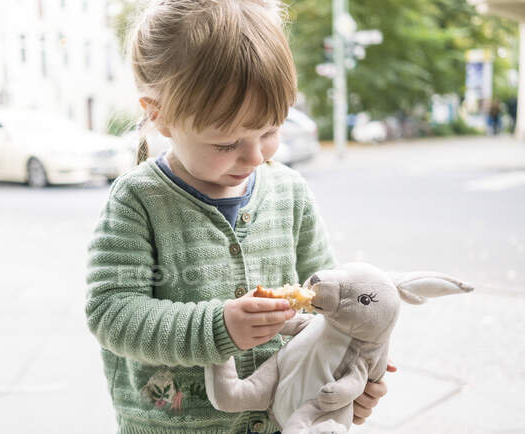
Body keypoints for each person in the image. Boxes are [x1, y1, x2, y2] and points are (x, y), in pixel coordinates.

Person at [85, 1, 391, 432]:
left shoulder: (290, 194)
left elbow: (330, 304)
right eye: (226, 143)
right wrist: (218, 327)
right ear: (160, 115)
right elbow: (111, 313)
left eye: (269, 131)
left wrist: (349, 370)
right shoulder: (139, 201)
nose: (255, 155)